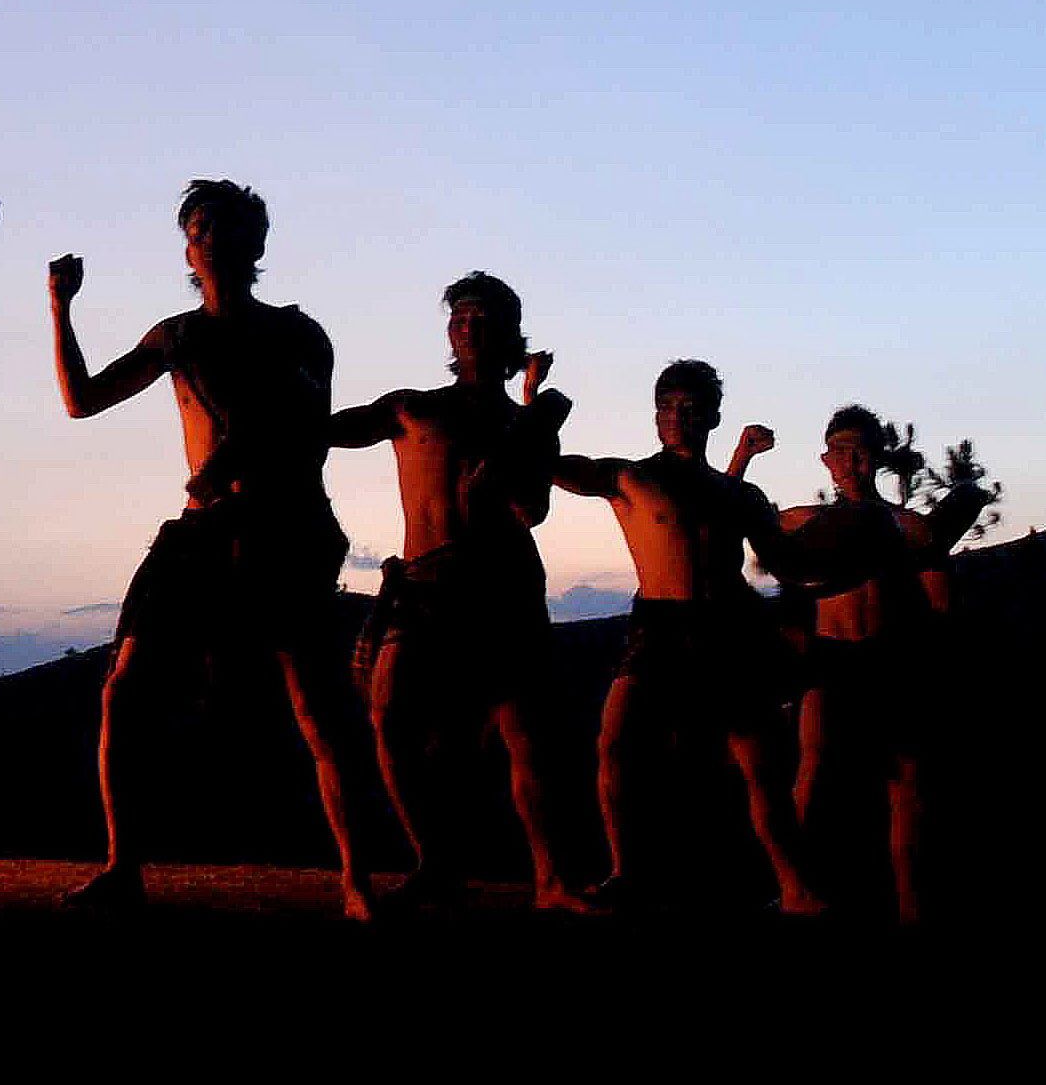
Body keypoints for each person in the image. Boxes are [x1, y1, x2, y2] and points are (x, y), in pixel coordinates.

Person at [50, 180, 390, 918]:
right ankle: (122, 866)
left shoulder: (299, 333)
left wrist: (240, 454)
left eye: (228, 227)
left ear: (256, 244)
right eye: (201, 228)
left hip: (285, 525)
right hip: (200, 528)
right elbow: (81, 399)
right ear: (187, 250)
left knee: (316, 703)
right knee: (125, 687)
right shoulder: (175, 335)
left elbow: (307, 423)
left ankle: (357, 880)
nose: (214, 238)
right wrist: (61, 306)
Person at [323, 275, 588, 911]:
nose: (467, 324)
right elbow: (326, 430)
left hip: (502, 584)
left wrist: (521, 443)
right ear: (448, 332)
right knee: (390, 718)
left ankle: (550, 878)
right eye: (459, 315)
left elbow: (534, 507)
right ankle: (436, 860)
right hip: (426, 582)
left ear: (507, 333)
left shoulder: (523, 422)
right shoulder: (412, 407)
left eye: (482, 315)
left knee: (523, 733)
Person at [549, 360, 842, 913]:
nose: (681, 418)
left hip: (723, 630)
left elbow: (786, 564)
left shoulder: (740, 497)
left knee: (757, 762)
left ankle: (795, 886)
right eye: (671, 408)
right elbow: (556, 467)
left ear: (711, 417)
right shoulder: (633, 477)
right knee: (615, 745)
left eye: (692, 408)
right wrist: (534, 405)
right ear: (657, 418)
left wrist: (850, 565)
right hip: (658, 627)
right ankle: (625, 873)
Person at [775, 409, 988, 922]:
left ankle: (911, 902)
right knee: (812, 771)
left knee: (906, 784)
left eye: (859, 448)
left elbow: (940, 602)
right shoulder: (805, 523)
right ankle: (796, 890)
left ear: (877, 456)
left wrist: (933, 662)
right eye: (838, 449)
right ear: (825, 460)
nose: (848, 460)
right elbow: (776, 568)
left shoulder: (911, 527)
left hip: (893, 659)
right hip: (830, 661)